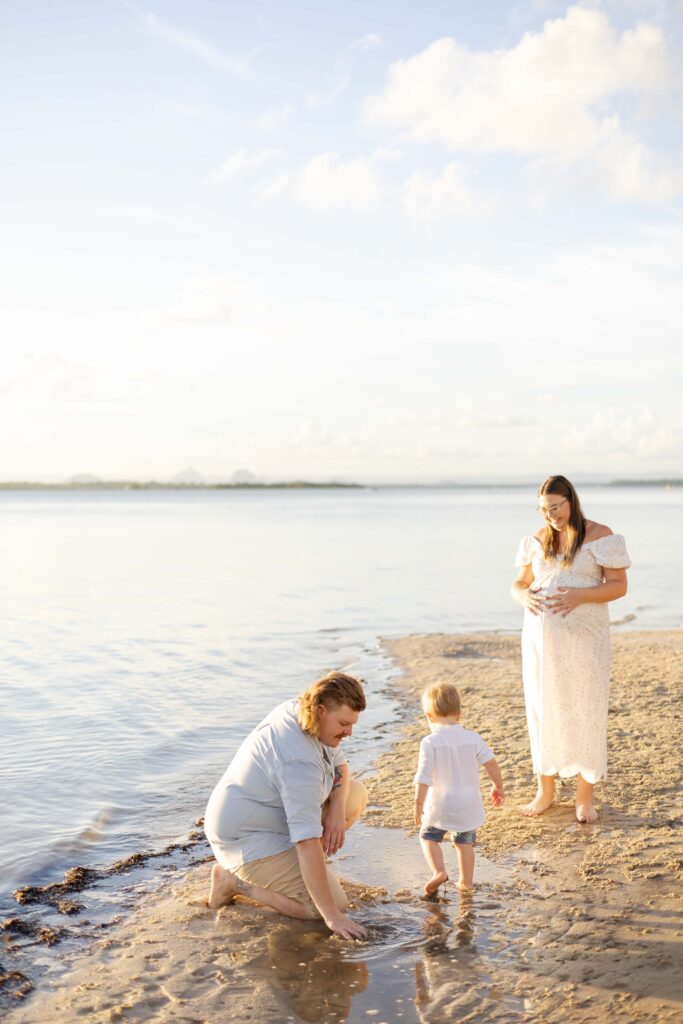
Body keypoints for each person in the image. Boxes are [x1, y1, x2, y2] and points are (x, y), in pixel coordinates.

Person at [204, 671, 368, 940]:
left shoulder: (304, 710)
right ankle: (233, 882)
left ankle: (304, 874)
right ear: (320, 709)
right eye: (343, 723)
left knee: (355, 794)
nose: (349, 732)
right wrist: (333, 918)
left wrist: (336, 812)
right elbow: (306, 842)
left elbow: (340, 764)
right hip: (246, 837)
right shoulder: (297, 762)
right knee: (326, 908)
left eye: (352, 724)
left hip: (273, 816)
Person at [511, 474, 630, 823]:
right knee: (543, 707)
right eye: (544, 510)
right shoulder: (537, 540)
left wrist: (579, 595)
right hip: (540, 641)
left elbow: (619, 586)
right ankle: (545, 792)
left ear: (571, 501)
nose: (551, 516)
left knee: (586, 708)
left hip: (586, 640)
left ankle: (584, 797)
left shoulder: (601, 536)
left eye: (556, 507)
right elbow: (520, 582)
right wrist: (522, 594)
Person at [414, 682, 504, 894]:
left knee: (428, 837)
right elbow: (491, 762)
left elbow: (424, 776)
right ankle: (466, 883)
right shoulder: (472, 738)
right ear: (459, 714)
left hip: (440, 805)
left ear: (428, 716)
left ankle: (439, 872)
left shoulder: (429, 742)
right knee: (464, 844)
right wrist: (497, 786)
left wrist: (418, 802)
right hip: (468, 804)